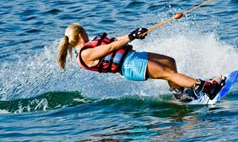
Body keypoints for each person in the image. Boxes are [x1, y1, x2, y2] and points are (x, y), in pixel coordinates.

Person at [57, 23, 225, 100]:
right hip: (130, 66)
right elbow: (109, 49)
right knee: (169, 74)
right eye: (85, 32)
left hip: (133, 58)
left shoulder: (89, 47)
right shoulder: (85, 54)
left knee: (169, 62)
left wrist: (135, 34)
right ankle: (208, 88)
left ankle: (180, 95)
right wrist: (131, 37)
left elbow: (114, 41)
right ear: (80, 35)